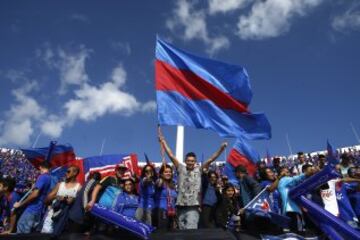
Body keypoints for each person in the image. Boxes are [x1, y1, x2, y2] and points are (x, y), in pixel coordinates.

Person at [159, 132, 227, 230]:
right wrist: (163, 141)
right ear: (185, 161)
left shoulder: (199, 170)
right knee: (181, 232)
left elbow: (211, 159)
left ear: (195, 162)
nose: (190, 162)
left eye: (192, 161)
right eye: (188, 160)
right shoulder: (180, 168)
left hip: (193, 207)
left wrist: (221, 148)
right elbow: (171, 155)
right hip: (180, 206)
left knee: (191, 231)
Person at [41, 165, 81, 235]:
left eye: (68, 171)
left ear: (75, 173)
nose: (66, 173)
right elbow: (46, 200)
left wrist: (71, 200)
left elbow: (77, 205)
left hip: (64, 221)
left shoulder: (79, 188)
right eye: (66, 171)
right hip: (51, 218)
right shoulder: (60, 185)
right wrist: (58, 197)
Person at [14, 161, 52, 234]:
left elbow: (35, 194)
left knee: (22, 229)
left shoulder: (42, 177)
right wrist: (34, 187)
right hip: (39, 210)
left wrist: (21, 204)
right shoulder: (49, 178)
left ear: (40, 167)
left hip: (33, 209)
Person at [277, 164, 315, 233]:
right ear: (281, 174)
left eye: (288, 172)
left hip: (289, 211)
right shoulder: (284, 179)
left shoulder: (286, 183)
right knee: (298, 233)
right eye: (286, 172)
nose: (289, 174)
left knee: (293, 234)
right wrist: (305, 174)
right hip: (292, 210)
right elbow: (295, 179)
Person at [155, 164, 177, 231]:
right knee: (163, 232)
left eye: (170, 172)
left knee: (171, 233)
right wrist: (160, 179)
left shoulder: (173, 185)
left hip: (172, 212)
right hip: (162, 210)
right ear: (161, 174)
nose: (168, 173)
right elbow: (158, 183)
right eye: (166, 172)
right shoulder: (160, 183)